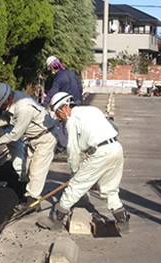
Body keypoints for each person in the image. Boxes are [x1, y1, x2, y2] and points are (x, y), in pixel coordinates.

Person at [37, 92, 130, 233]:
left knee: (75, 186)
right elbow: (114, 128)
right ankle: (122, 221)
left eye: (58, 114)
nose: (60, 119)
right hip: (116, 147)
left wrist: (74, 172)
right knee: (109, 189)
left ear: (65, 107)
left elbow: (73, 151)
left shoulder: (73, 121)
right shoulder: (91, 110)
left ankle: (56, 219)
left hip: (100, 152)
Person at [0, 82, 59, 211]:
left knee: (37, 170)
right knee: (29, 169)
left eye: (1, 105)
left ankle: (32, 202)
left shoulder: (24, 107)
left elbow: (14, 135)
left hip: (45, 138)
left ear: (6, 99)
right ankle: (29, 193)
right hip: (33, 138)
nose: (1, 108)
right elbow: (10, 119)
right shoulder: (15, 101)